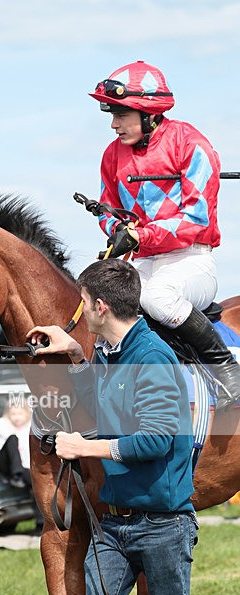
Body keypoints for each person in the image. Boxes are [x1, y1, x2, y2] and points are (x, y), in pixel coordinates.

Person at [27, 258, 233, 595]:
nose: (77, 312)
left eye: (81, 306)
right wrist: (70, 354)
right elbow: (98, 388)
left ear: (98, 307)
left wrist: (85, 447)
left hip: (162, 526)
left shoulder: (154, 359)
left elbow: (161, 438)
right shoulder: (114, 355)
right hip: (117, 529)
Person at [90, 60, 240, 411]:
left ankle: (225, 367)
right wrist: (119, 231)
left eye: (121, 114)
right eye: (111, 114)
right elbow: (107, 211)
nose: (113, 124)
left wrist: (141, 236)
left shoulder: (190, 142)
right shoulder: (112, 155)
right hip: (141, 264)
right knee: (99, 302)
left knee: (157, 296)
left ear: (148, 113)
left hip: (191, 261)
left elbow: (196, 219)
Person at [0, 399, 43, 532]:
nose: (16, 418)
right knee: (12, 439)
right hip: (3, 463)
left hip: (24, 467)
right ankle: (16, 475)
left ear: (26, 413)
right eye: (13, 414)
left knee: (37, 485)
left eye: (20, 414)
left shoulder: (31, 427)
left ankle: (40, 524)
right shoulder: (1, 424)